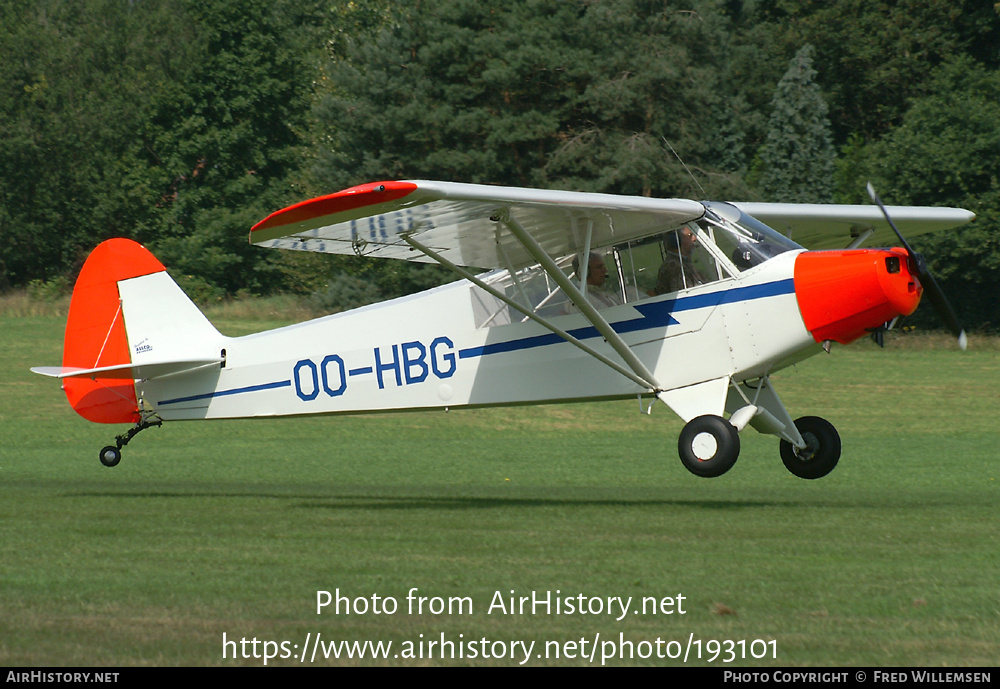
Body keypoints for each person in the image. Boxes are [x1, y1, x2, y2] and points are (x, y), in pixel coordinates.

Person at [654, 226, 703, 295]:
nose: (695, 238)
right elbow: (686, 295)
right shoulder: (674, 266)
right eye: (690, 236)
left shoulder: (683, 263)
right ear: (676, 241)